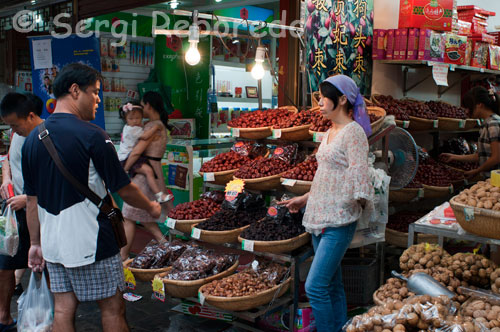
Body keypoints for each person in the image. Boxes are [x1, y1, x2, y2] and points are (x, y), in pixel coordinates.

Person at [21, 63, 161, 332]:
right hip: (92, 242)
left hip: (53, 245)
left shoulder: (32, 140)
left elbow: (32, 201)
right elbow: (125, 189)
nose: (98, 99)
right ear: (75, 91)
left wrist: (36, 243)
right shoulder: (93, 136)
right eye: (95, 92)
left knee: (62, 309)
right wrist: (151, 207)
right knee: (112, 309)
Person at [279, 75, 374, 332]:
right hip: (319, 215)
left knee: (314, 286)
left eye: (324, 97)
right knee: (331, 284)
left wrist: (352, 206)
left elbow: (359, 175)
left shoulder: (353, 133)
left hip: (339, 220)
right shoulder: (330, 131)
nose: (319, 102)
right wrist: (305, 198)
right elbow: (326, 176)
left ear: (342, 99)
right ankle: (339, 327)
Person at [0, 92, 43, 332]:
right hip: (14, 213)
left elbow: (49, 181)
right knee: (5, 265)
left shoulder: (43, 136)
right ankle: (4, 318)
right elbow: (7, 158)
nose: (12, 130)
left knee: (41, 266)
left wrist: (25, 199)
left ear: (30, 115)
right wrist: (6, 177)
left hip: (35, 213)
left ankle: (44, 318)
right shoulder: (18, 132)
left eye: (14, 124)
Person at [120, 91, 174, 261]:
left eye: (142, 106)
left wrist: (124, 169)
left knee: (129, 215)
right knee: (143, 217)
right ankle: (167, 247)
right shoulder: (159, 124)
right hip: (152, 170)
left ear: (148, 105)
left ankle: (123, 256)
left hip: (144, 173)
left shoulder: (152, 126)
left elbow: (136, 152)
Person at [118, 102, 172, 203]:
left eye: (138, 118)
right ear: (125, 119)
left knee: (149, 172)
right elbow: (145, 136)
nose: (135, 121)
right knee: (149, 171)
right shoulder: (132, 129)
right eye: (131, 119)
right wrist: (155, 128)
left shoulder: (130, 126)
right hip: (127, 158)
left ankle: (159, 195)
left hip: (126, 156)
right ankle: (159, 195)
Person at [441, 86, 500, 178]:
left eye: (469, 107)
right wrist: (454, 157)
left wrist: (477, 170)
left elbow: (496, 157)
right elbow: (480, 155)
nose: (467, 111)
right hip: (490, 179)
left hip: (495, 180)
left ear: (479, 105)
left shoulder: (493, 124)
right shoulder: (487, 124)